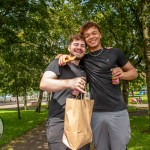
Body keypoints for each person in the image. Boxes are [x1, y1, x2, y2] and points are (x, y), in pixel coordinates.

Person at [59, 22, 138, 150]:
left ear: (100, 34)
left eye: (94, 33)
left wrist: (122, 75)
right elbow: (70, 57)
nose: (91, 37)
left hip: (118, 111)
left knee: (120, 147)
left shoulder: (115, 52)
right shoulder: (84, 58)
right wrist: (63, 56)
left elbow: (134, 73)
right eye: (87, 35)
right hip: (95, 113)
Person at [39, 34, 90, 150]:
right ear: (69, 48)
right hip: (59, 121)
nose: (79, 47)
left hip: (79, 121)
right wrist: (70, 83)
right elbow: (44, 84)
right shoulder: (59, 63)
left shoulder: (84, 69)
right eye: (76, 44)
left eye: (82, 45)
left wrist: (108, 50)